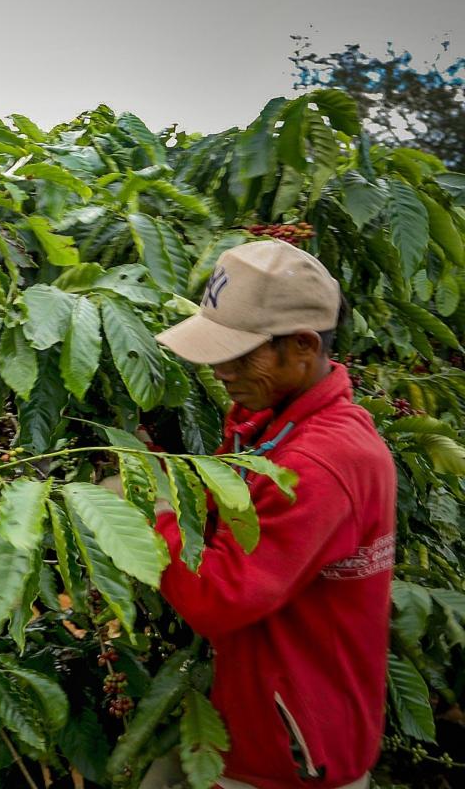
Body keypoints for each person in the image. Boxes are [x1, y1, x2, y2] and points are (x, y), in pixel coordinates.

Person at [147, 239, 396, 789]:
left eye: (240, 354)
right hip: (255, 721)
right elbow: (224, 504)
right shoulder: (269, 422)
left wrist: (150, 512)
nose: (220, 370)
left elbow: (220, 595)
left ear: (303, 345)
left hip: (291, 756)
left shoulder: (320, 462)